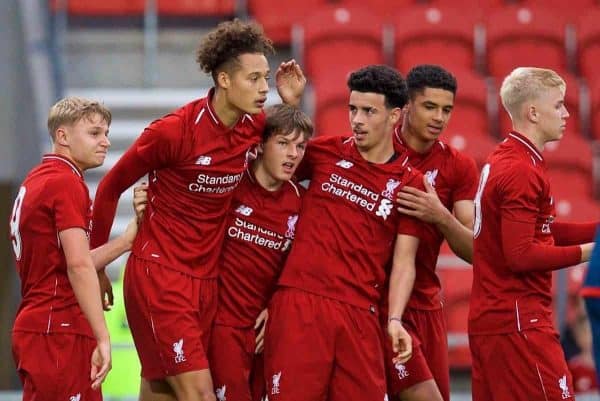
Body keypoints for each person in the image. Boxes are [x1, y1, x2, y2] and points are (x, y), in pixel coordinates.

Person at [90, 19, 306, 401]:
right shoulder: (173, 132)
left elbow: (285, 146)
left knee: (161, 392)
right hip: (161, 277)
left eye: (265, 78)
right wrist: (99, 265)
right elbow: (109, 188)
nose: (263, 88)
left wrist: (290, 104)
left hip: (206, 283)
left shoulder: (251, 126)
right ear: (224, 80)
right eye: (253, 79)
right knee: (201, 394)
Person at [263, 65, 426, 401]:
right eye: (353, 109)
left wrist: (394, 318)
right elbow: (268, 165)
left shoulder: (410, 181)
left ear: (396, 116)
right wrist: (291, 107)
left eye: (369, 111)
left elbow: (404, 261)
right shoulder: (325, 152)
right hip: (300, 303)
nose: (357, 120)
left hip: (360, 314)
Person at [468, 67, 597, 401]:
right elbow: (522, 254)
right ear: (533, 112)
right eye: (558, 105)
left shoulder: (510, 157)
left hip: (498, 318)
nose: (567, 113)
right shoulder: (521, 169)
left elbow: (538, 229)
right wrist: (591, 251)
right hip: (518, 320)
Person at [9, 97, 139, 401]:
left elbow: (70, 259)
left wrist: (123, 243)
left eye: (106, 133)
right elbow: (78, 265)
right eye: (94, 133)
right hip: (58, 326)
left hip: (41, 322)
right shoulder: (65, 183)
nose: (105, 142)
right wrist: (102, 337)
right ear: (62, 136)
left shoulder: (38, 179)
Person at [383, 64, 478, 401]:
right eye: (430, 106)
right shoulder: (375, 149)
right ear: (406, 106)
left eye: (447, 109)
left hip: (424, 304)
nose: (439, 117)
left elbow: (475, 250)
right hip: (373, 301)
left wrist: (440, 216)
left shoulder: (458, 166)